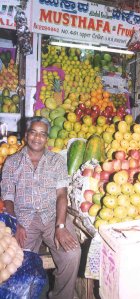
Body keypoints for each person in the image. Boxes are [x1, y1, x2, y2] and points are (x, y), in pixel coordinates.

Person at [1, 116, 81, 299]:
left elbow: (62, 195)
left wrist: (60, 226)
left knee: (72, 254)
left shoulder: (57, 161)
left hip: (52, 216)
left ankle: (61, 296)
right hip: (23, 218)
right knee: (14, 261)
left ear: (47, 138)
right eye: (33, 133)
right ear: (26, 135)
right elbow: (7, 196)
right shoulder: (12, 162)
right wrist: (16, 223)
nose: (37, 138)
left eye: (42, 134)